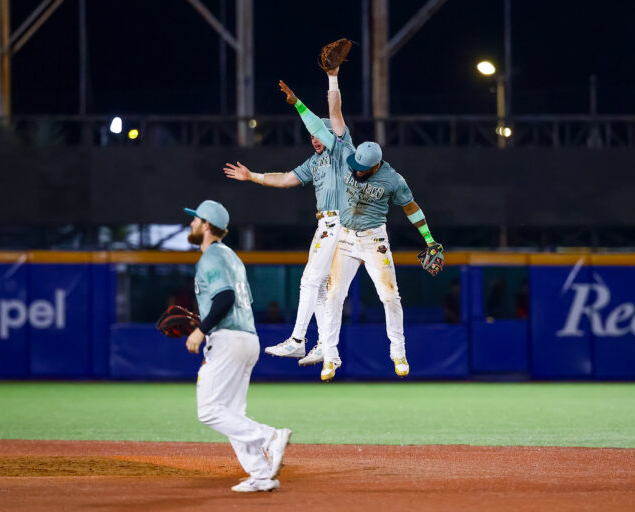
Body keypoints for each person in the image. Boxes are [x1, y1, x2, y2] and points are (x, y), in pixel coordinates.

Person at [278, 79, 442, 382]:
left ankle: (399, 353)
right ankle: (330, 356)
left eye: (360, 168)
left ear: (375, 166)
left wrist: (429, 239)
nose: (354, 169)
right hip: (344, 237)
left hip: (374, 240)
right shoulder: (346, 154)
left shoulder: (392, 179)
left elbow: (411, 208)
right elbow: (327, 121)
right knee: (333, 297)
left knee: (389, 297)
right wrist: (299, 102)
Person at [223, 65, 352, 367]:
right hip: (328, 224)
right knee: (318, 286)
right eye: (311, 135)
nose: (315, 138)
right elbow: (284, 179)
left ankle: (297, 341)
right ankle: (324, 347)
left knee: (309, 282)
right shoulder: (314, 162)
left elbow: (335, 109)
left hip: (339, 223)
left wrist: (328, 80)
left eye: (319, 132)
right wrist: (252, 176)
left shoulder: (340, 148)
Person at [183, 199, 291, 493]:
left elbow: (225, 297)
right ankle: (261, 474)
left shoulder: (211, 257)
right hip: (247, 337)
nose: (191, 223)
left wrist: (200, 329)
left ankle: (269, 437)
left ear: (206, 225)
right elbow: (236, 300)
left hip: (228, 339)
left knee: (209, 410)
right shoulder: (232, 256)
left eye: (195, 219)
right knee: (232, 413)